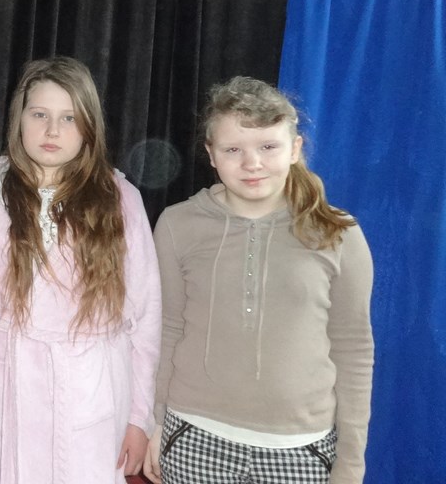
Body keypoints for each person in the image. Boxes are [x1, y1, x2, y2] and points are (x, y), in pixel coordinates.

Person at [143, 77, 373, 484]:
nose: (252, 164)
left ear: (295, 149)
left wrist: (351, 461)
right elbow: (168, 329)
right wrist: (155, 422)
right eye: (233, 149)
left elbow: (353, 348)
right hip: (193, 439)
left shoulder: (339, 233)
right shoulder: (177, 224)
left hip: (301, 451)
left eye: (268, 147)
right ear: (211, 155)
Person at [0, 56, 160, 482]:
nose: (52, 131)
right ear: (19, 118)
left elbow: (144, 314)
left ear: (88, 126)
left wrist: (139, 417)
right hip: (2, 401)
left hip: (90, 401)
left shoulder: (120, 200)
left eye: (68, 118)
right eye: (39, 115)